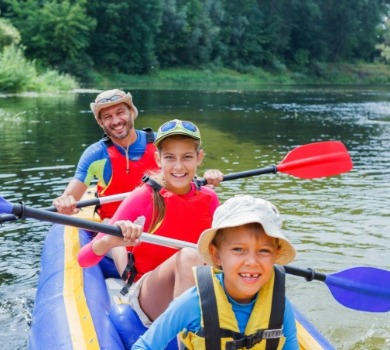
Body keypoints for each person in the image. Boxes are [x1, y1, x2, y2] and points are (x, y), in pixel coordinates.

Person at [78, 119, 220, 325]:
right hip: (149, 292)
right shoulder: (143, 197)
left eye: (187, 157)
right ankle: (190, 341)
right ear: (158, 158)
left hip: (196, 285)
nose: (178, 166)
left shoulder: (209, 198)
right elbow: (84, 259)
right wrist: (110, 241)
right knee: (190, 256)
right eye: (170, 157)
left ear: (199, 158)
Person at [132, 194, 299, 350]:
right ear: (217, 255)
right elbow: (144, 346)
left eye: (264, 251)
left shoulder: (280, 306)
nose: (251, 262)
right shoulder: (193, 303)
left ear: (276, 255)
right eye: (239, 249)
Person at [52, 89, 223, 220]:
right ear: (100, 122)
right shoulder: (95, 154)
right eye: (107, 116)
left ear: (131, 113)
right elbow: (70, 197)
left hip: (160, 220)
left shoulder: (160, 143)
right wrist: (64, 202)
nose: (116, 121)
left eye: (120, 112)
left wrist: (209, 178)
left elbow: (187, 174)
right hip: (116, 227)